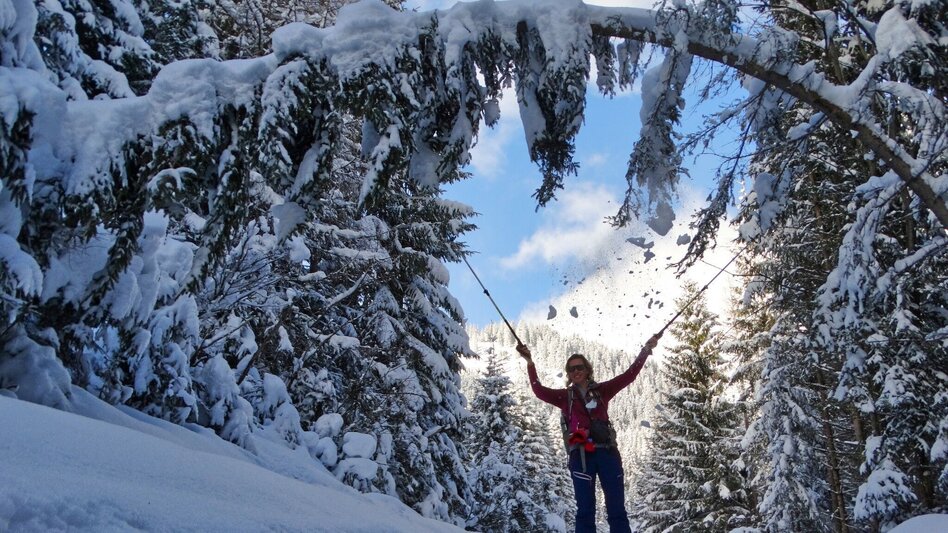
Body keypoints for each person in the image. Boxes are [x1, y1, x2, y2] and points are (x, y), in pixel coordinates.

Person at [516, 334, 659, 533]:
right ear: (568, 373)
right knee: (585, 511)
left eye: (579, 367)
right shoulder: (565, 397)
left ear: (587, 370)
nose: (576, 371)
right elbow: (538, 390)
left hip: (607, 452)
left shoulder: (602, 390)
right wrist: (530, 362)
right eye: (571, 369)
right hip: (581, 455)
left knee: (617, 509)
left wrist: (645, 351)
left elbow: (629, 376)